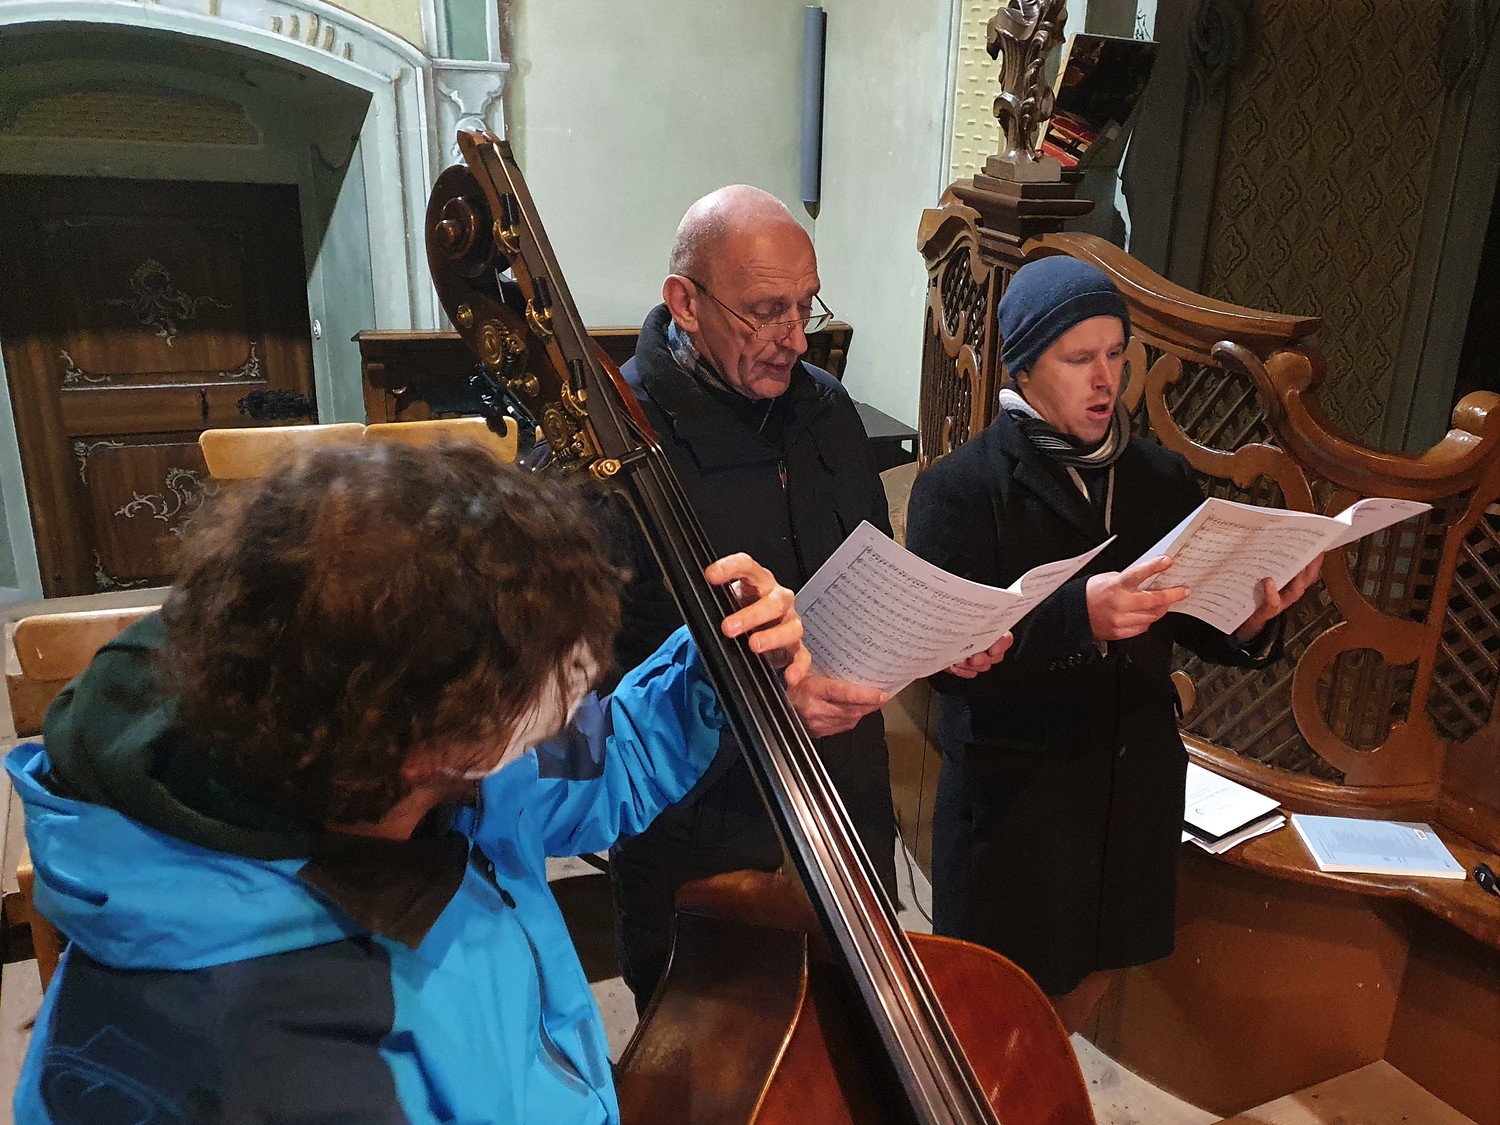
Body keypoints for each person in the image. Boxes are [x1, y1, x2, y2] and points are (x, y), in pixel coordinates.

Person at [6, 439, 813, 1125]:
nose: (577, 693)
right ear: (432, 750)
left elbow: (604, 759)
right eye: (552, 682)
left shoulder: (384, 740)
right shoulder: (262, 1066)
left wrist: (714, 666)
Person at [606, 184, 1010, 1014]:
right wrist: (756, 705)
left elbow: (867, 574)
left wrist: (936, 639)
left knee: (858, 1035)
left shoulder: (826, 410)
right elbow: (587, 691)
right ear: (685, 302)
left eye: (805, 305)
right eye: (765, 312)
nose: (795, 337)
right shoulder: (614, 448)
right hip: (706, 832)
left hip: (845, 806)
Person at [904, 257, 1320, 1031]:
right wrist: (1078, 619)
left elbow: (1190, 617)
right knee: (992, 1012)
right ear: (1024, 368)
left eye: (1116, 354)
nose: (1106, 380)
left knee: (1087, 988)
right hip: (1021, 805)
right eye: (1079, 359)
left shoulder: (1159, 476)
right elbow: (943, 664)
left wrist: (1254, 617)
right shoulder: (959, 489)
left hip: (1131, 790)